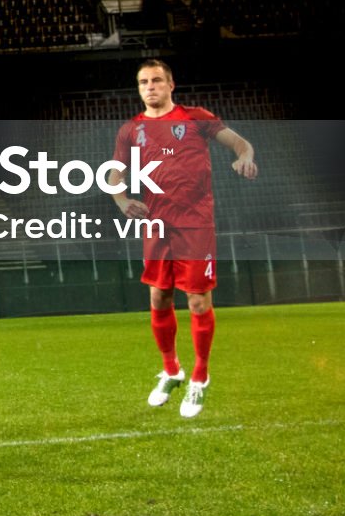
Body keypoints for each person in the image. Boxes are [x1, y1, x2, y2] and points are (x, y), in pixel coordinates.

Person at [102, 59, 257, 419]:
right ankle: (172, 370)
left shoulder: (196, 118)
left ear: (172, 84)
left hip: (195, 224)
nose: (150, 87)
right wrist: (123, 200)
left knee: (198, 303)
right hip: (156, 224)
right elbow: (113, 173)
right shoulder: (131, 130)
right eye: (143, 82)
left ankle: (199, 378)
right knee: (158, 296)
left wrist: (244, 158)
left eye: (157, 80)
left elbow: (239, 144)